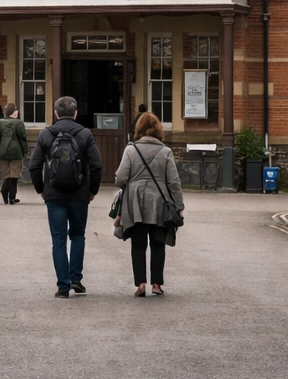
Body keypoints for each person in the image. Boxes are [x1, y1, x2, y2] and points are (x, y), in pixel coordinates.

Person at [27, 96, 103, 298]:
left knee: (58, 241)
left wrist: (41, 189)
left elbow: (34, 166)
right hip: (79, 194)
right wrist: (92, 190)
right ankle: (76, 277)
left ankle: (63, 286)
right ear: (76, 113)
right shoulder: (85, 134)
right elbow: (97, 165)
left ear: (56, 113)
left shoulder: (46, 134)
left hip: (54, 194)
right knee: (78, 236)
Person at [111, 112, 185, 297]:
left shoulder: (131, 150)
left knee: (138, 244)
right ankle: (157, 285)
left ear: (139, 130)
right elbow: (174, 183)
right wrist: (179, 207)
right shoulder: (166, 152)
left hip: (135, 203)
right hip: (160, 203)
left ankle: (141, 285)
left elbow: (120, 179)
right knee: (158, 244)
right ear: (158, 130)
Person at [0, 103, 28, 205]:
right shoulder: (19, 123)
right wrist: (25, 150)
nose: (17, 111)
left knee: (7, 175)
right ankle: (10, 196)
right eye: (16, 109)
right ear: (13, 112)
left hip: (2, 152)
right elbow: (23, 138)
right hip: (16, 152)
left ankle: (8, 196)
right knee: (14, 175)